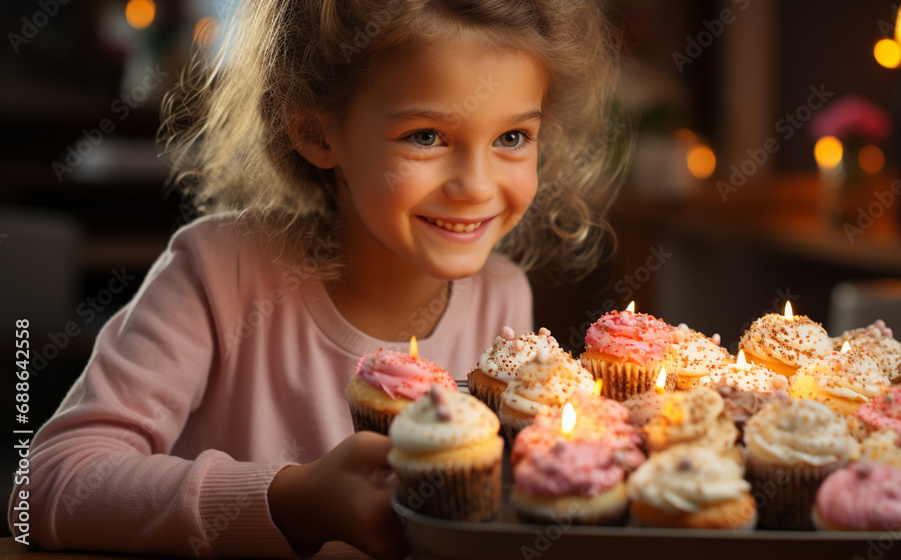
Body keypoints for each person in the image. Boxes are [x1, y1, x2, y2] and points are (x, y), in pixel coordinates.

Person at [9, 0, 631, 558]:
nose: (475, 185)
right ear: (316, 132)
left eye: (513, 137)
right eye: (425, 136)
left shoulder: (504, 297)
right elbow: (44, 488)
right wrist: (288, 500)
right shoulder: (219, 273)